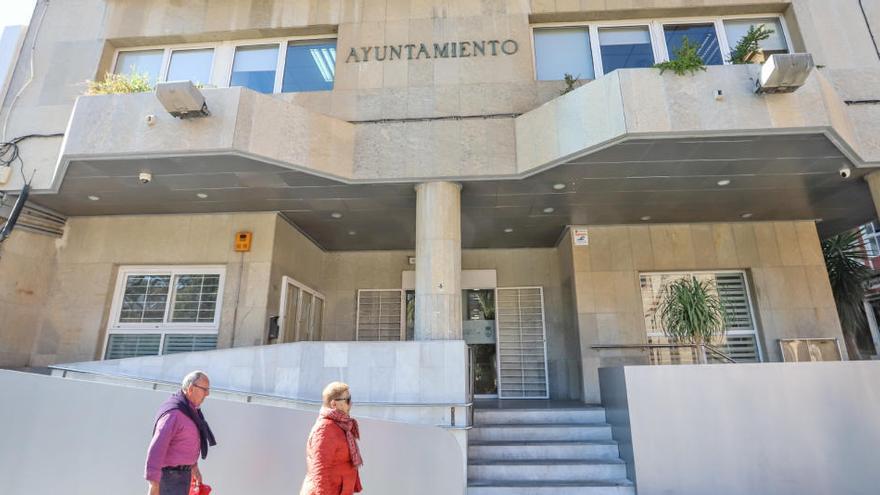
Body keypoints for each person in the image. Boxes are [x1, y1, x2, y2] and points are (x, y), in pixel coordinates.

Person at [145, 370, 217, 495]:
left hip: (183, 476)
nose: (207, 394)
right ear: (190, 389)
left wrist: (194, 467)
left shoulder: (190, 411)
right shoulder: (173, 414)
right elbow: (157, 448)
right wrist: (153, 484)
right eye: (204, 389)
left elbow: (184, 443)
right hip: (169, 479)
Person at [300, 381, 364, 495]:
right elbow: (320, 470)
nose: (351, 404)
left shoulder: (340, 425)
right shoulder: (325, 429)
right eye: (347, 400)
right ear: (334, 404)